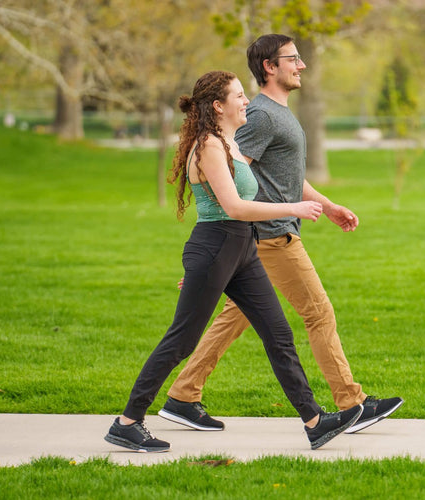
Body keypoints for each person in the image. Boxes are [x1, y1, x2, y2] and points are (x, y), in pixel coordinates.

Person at [104, 70, 363, 453]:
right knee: (182, 340)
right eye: (239, 96)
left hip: (241, 251)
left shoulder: (228, 143)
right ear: (218, 106)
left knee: (278, 334)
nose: (247, 101)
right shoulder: (208, 145)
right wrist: (294, 207)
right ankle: (128, 422)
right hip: (217, 247)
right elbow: (233, 207)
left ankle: (314, 421)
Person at [159, 34, 403, 435]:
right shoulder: (261, 116)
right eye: (293, 59)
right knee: (318, 312)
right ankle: (353, 402)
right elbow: (234, 172)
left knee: (234, 318)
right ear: (269, 67)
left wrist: (328, 205)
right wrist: (220, 247)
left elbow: (285, 176)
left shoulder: (277, 114)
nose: (301, 64)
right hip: (270, 235)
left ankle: (183, 395)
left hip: (260, 238)